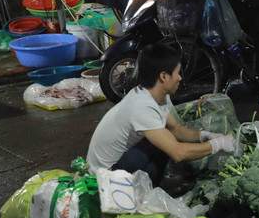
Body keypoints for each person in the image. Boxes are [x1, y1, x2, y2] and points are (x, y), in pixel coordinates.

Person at [86, 42, 236, 184]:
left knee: (164, 137)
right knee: (162, 146)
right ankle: (140, 192)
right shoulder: (142, 106)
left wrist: (204, 136)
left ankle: (152, 183)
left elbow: (175, 129)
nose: (180, 78)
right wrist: (217, 145)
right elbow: (178, 152)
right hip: (105, 176)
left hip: (120, 159)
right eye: (177, 73)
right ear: (163, 76)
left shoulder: (157, 96)